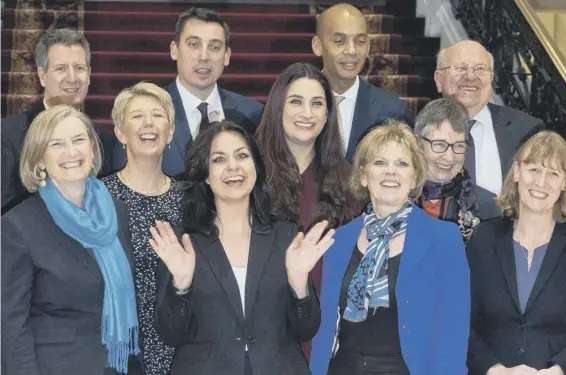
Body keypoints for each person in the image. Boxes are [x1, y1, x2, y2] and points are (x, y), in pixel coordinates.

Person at [152, 121, 330, 375]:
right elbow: (169, 334)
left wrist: (299, 283)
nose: (233, 167)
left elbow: (306, 330)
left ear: (255, 166)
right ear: (205, 175)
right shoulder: (182, 242)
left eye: (242, 156)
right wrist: (181, 285)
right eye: (219, 159)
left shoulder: (285, 235)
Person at [310, 123, 470, 375]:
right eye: (380, 163)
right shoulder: (338, 240)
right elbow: (324, 328)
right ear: (363, 175)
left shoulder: (443, 239)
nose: (391, 172)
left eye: (402, 164)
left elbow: (453, 333)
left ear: (415, 177)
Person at [1, 105, 141, 375]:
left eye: (79, 140)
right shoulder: (17, 225)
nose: (71, 152)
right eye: (57, 144)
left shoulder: (117, 211)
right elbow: (10, 324)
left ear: (92, 147)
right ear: (39, 159)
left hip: (119, 365)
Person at [466, 131, 566, 375]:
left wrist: (558, 370)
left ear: (565, 184)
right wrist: (494, 369)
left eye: (553, 174)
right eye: (534, 169)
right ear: (517, 172)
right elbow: (463, 323)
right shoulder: (484, 238)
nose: (541, 182)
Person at [112, 7, 263, 176]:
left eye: (214, 47)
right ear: (174, 50)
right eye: (194, 44)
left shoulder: (252, 114)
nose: (204, 56)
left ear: (226, 56)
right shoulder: (144, 113)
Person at [254, 62, 361, 296]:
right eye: (295, 101)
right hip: (261, 317)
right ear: (277, 108)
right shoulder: (250, 171)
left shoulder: (348, 179)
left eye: (317, 104)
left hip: (325, 313)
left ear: (327, 115)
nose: (307, 113)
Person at [103, 82, 184, 375]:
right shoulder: (99, 198)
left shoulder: (191, 199)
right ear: (120, 132)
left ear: (171, 132)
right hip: (119, 355)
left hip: (181, 349)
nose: (148, 123)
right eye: (137, 116)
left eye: (158, 115)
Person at [1, 28, 116, 215]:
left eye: (79, 68)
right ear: (42, 76)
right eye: (61, 69)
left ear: (89, 75)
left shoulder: (105, 140)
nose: (72, 78)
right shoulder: (8, 135)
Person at [434, 40, 545, 196]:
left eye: (480, 69)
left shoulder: (526, 131)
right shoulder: (418, 132)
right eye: (460, 68)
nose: (470, 76)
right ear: (439, 80)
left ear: (491, 78)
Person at [311, 3, 409, 161]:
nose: (351, 50)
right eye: (339, 41)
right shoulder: (293, 104)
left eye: (360, 41)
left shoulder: (392, 111)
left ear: (368, 47)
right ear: (318, 46)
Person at [413, 97, 500, 242]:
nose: (449, 157)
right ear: (417, 143)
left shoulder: (488, 207)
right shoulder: (394, 197)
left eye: (458, 145)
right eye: (439, 144)